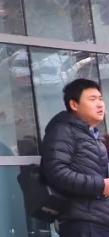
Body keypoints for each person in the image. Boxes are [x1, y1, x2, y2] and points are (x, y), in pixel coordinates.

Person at [40, 78, 109, 236]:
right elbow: (56, 173)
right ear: (74, 105)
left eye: (100, 99)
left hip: (99, 221)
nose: (100, 104)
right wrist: (101, 185)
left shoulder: (91, 135)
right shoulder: (62, 130)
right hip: (82, 224)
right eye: (92, 99)